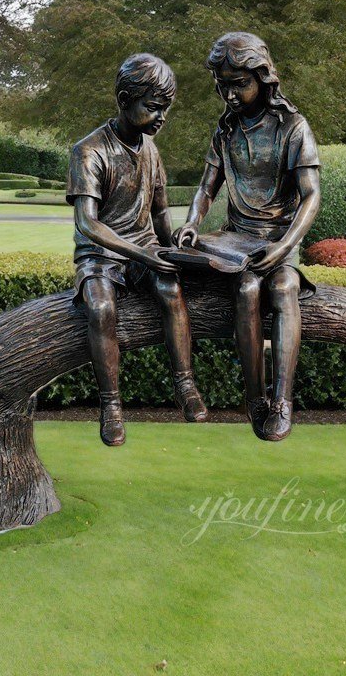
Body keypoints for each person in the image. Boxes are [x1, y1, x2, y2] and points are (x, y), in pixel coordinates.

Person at [174, 32, 320, 441]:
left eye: (239, 83)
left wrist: (285, 246)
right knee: (244, 289)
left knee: (285, 286)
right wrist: (191, 223)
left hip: (278, 240)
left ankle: (283, 401)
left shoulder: (292, 126)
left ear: (262, 77)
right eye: (224, 86)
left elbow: (311, 196)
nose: (231, 94)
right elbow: (206, 188)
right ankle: (254, 398)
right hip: (235, 239)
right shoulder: (225, 130)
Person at [67, 53, 208, 446]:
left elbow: (160, 209)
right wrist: (142, 254)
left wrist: (173, 245)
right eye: (153, 106)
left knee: (169, 289)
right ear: (125, 99)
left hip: (144, 248)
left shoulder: (151, 148)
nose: (161, 117)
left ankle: (185, 384)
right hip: (101, 253)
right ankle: (111, 405)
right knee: (100, 308)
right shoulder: (88, 151)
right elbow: (87, 223)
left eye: (166, 108)